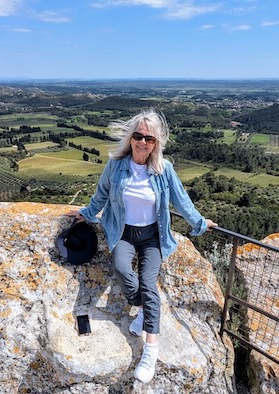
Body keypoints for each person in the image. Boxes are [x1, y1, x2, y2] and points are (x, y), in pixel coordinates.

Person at [65, 108, 217, 383]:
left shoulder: (163, 170)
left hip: (152, 236)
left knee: (148, 284)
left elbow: (181, 201)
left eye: (149, 139)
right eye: (138, 136)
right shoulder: (116, 165)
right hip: (123, 232)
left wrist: (199, 223)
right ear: (131, 138)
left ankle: (151, 350)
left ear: (156, 143)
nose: (143, 142)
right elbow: (101, 195)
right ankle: (147, 306)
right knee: (123, 270)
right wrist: (86, 213)